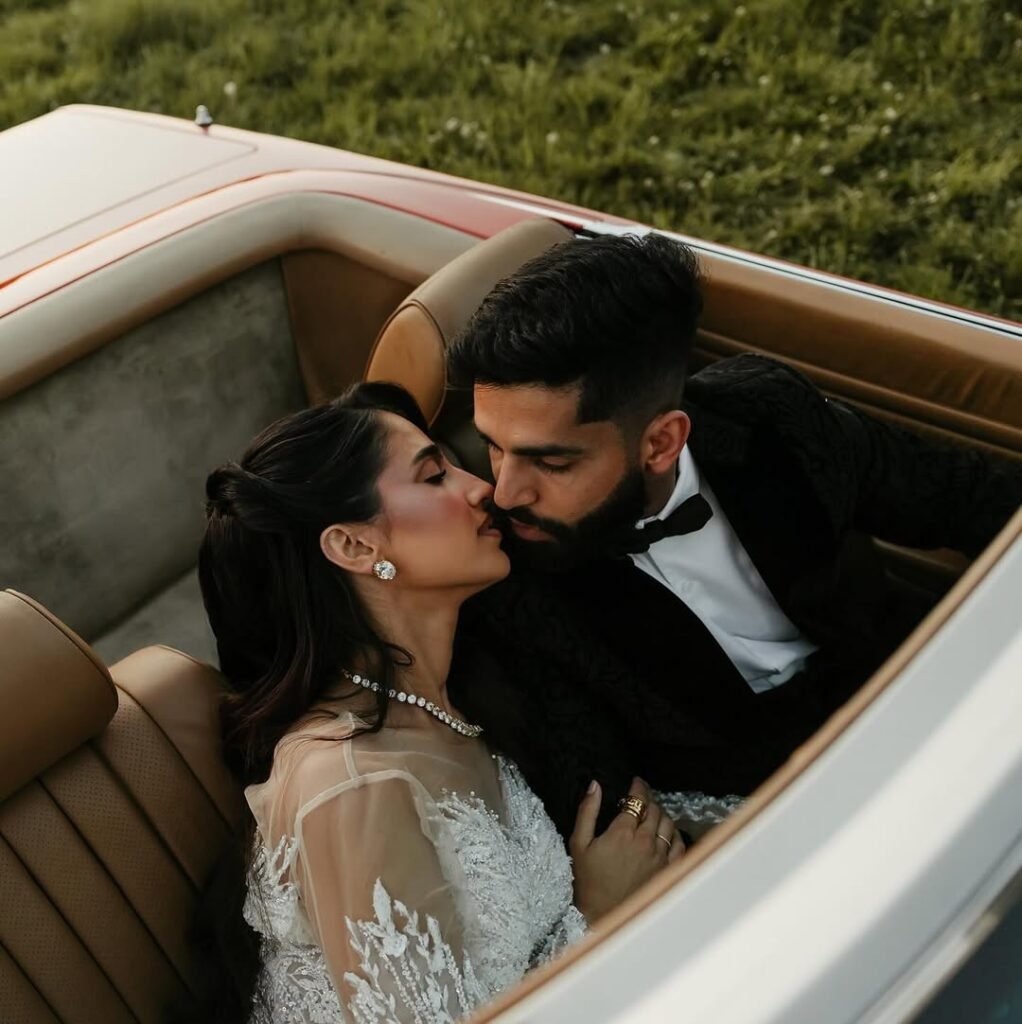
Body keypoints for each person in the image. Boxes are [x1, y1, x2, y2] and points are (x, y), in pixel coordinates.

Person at [446, 232, 1022, 832]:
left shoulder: (772, 415)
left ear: (662, 442)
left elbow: (967, 494)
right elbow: (604, 797)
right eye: (493, 445)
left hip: (921, 691)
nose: (507, 493)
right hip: (789, 820)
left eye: (552, 462)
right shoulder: (514, 587)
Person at [197, 381, 708, 1024]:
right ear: (355, 546)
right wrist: (596, 917)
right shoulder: (352, 785)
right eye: (435, 475)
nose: (481, 489)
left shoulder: (454, 699)